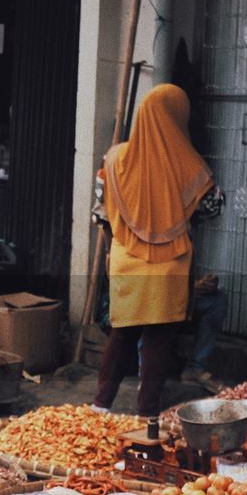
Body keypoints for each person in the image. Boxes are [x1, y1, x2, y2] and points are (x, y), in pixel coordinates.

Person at [93, 84, 214, 417]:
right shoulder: (188, 164)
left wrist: (110, 251)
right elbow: (212, 207)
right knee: (159, 339)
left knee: (122, 333)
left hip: (124, 260)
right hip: (169, 264)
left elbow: (99, 213)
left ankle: (100, 405)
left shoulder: (114, 157)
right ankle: (147, 413)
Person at [180, 274, 226, 393]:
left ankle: (195, 368)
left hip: (182, 296)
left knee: (218, 300)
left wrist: (202, 285)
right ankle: (144, 372)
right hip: (155, 298)